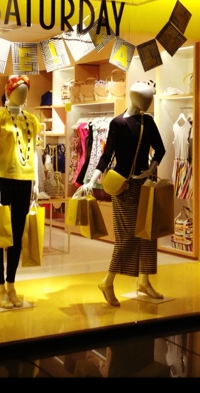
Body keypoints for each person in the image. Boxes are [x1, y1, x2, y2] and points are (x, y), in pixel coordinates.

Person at [80, 82, 166, 306]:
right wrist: (91, 181)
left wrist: (151, 168)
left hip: (144, 184)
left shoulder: (148, 121)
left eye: (150, 98)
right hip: (123, 187)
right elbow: (107, 156)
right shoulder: (117, 123)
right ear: (134, 97)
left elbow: (160, 149)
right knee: (127, 237)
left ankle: (144, 281)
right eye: (145, 98)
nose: (148, 102)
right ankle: (107, 281)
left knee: (148, 233)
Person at [0, 75, 40, 309]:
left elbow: (34, 151)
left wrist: (36, 182)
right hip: (3, 180)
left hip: (24, 180)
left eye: (26, 91)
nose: (23, 94)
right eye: (19, 90)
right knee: (0, 235)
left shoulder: (32, 120)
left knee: (17, 237)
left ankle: (11, 284)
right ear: (9, 92)